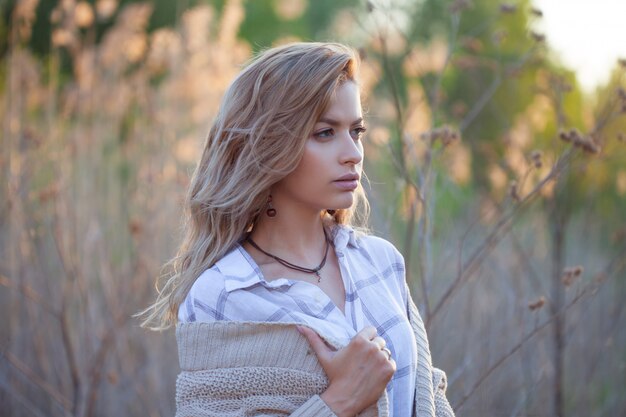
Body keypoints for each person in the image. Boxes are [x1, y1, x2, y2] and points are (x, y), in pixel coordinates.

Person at [140, 42, 454, 417]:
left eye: (356, 130)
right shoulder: (223, 293)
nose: (353, 152)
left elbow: (427, 400)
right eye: (325, 133)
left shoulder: (382, 262)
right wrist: (340, 402)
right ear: (269, 145)